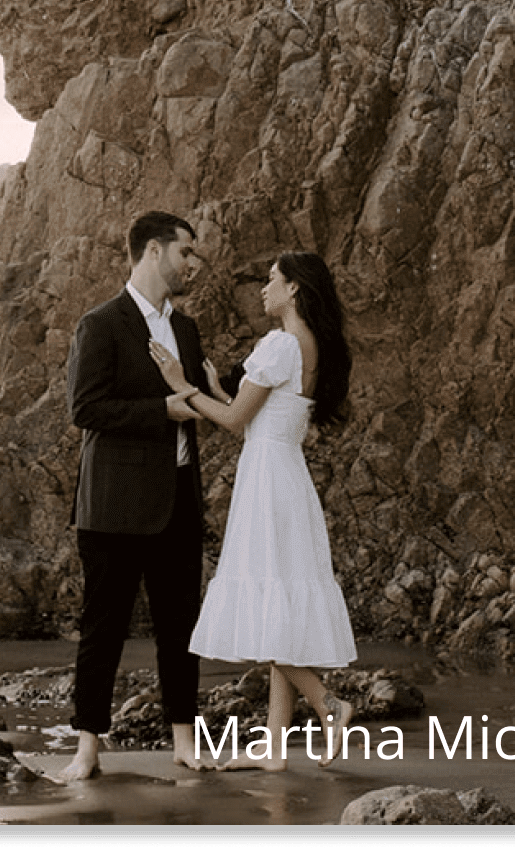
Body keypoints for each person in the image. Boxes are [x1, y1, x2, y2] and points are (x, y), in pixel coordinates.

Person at [152, 250, 357, 770]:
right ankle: (272, 749)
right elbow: (252, 420)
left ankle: (328, 704)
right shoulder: (309, 346)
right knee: (278, 606)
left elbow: (232, 420)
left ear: (293, 290)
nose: (263, 288)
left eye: (271, 280)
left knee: (270, 611)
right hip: (286, 475)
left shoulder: (281, 343)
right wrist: (219, 390)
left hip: (267, 482)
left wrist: (183, 387)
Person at [60, 211, 214, 781]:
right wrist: (162, 411)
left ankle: (184, 742)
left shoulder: (188, 330)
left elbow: (202, 397)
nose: (191, 265)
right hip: (113, 508)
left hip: (178, 498)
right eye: (185, 253)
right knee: (104, 627)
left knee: (182, 627)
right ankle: (86, 749)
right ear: (153, 251)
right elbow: (84, 408)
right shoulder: (101, 324)